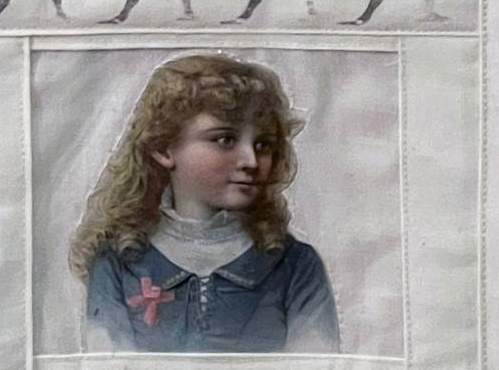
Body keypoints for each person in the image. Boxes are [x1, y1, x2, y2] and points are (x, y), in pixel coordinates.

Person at [72, 53, 339, 353]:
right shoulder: (118, 264)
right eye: (225, 140)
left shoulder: (295, 265)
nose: (251, 161)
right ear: (164, 149)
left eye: (263, 145)